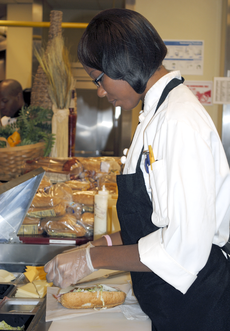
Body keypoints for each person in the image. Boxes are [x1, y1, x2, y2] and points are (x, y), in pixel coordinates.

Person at [44, 8, 230, 331]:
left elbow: (183, 248)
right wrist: (101, 245)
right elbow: (154, 222)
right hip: (170, 304)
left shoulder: (180, 120)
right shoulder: (155, 116)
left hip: (199, 308)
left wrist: (93, 259)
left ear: (123, 62)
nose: (100, 92)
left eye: (99, 80)